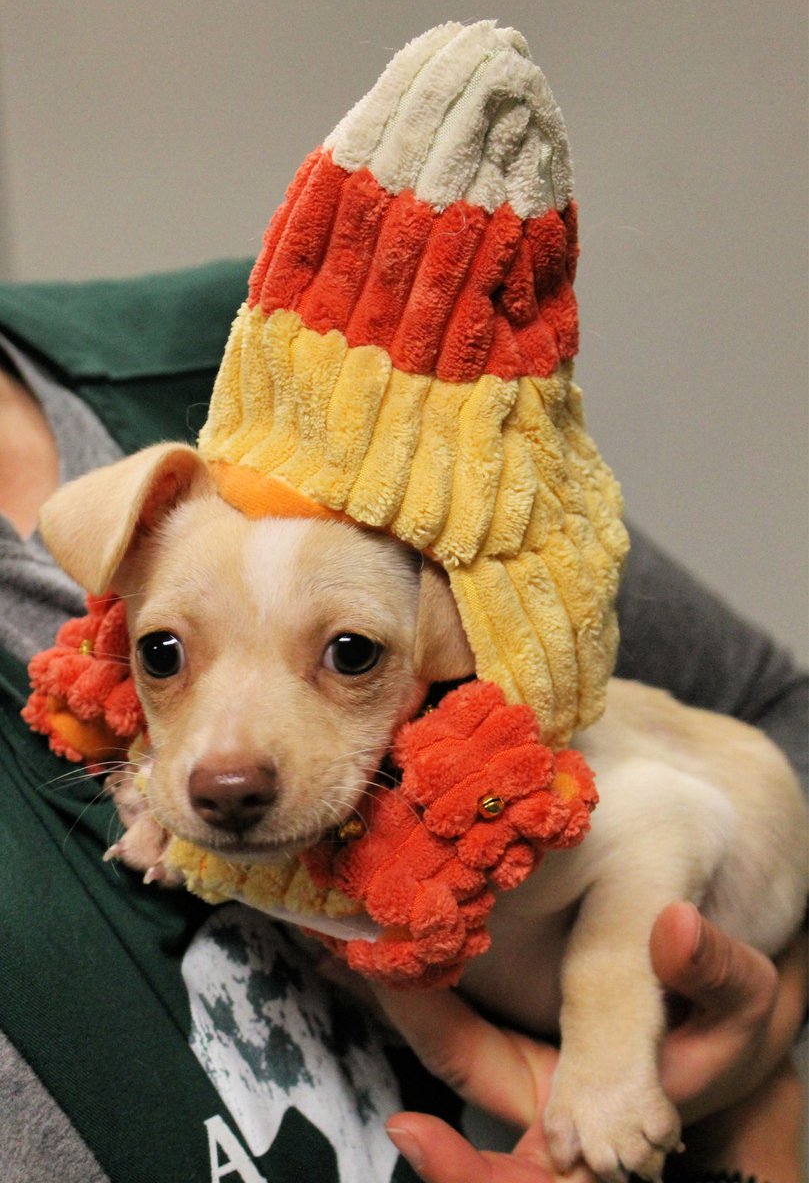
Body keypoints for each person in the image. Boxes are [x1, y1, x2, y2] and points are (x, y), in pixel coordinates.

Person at [0, 262, 806, 1183]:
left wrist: (739, 1070)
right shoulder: (170, 552)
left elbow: (697, 791)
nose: (228, 766)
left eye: (349, 655)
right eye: (164, 655)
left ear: (446, 626)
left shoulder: (490, 787)